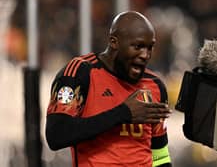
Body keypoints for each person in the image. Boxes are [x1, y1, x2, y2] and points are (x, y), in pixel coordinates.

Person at [45, 11, 172, 167]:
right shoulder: (79, 73)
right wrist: (123, 113)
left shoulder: (155, 85)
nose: (145, 55)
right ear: (114, 42)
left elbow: (160, 154)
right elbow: (56, 135)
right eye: (138, 46)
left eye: (150, 48)